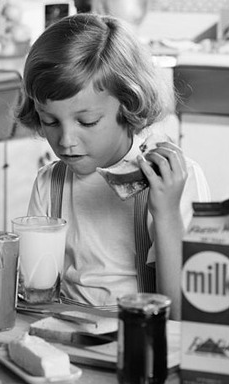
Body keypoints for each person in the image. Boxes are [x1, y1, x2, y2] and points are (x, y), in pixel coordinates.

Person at [15, 14, 210, 318]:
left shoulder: (173, 180)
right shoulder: (49, 184)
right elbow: (35, 296)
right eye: (50, 120)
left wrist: (166, 213)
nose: (66, 140)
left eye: (87, 121)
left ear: (128, 104)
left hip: (141, 338)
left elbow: (183, 317)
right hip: (66, 337)